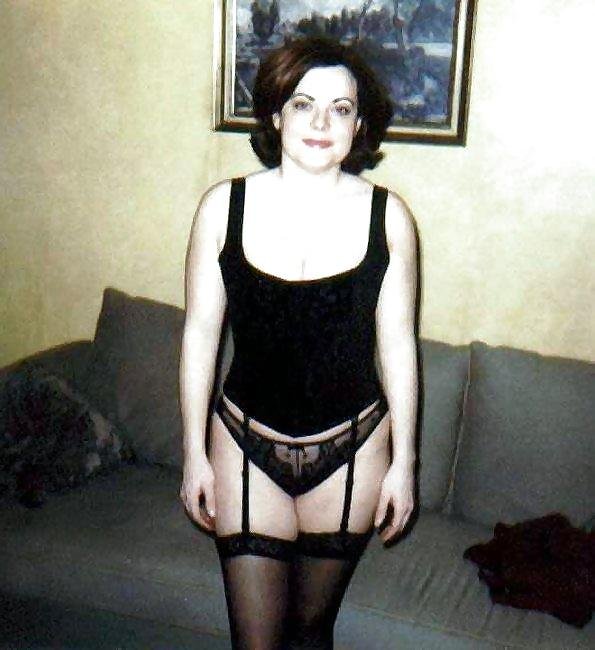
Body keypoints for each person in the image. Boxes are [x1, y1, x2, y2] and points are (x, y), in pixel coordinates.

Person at [179, 36, 418, 650]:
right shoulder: (221, 207)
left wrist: (404, 466)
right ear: (276, 114)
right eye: (304, 103)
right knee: (256, 641)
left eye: (341, 109)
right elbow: (201, 334)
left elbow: (397, 347)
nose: (320, 122)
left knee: (311, 631)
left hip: (353, 448)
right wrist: (193, 453)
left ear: (359, 126)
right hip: (243, 442)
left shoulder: (390, 217)